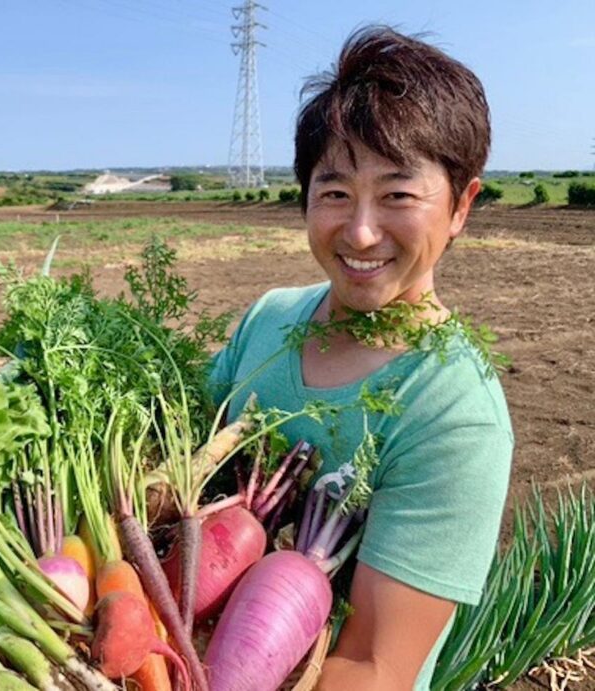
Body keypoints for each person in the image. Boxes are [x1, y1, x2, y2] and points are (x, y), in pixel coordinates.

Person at [208, 26, 513, 691]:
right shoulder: (268, 319)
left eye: (398, 195)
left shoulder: (454, 412)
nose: (361, 230)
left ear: (461, 205)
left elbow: (374, 665)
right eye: (336, 192)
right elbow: (170, 451)